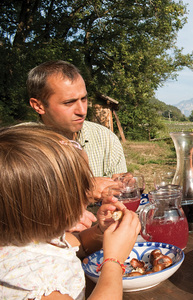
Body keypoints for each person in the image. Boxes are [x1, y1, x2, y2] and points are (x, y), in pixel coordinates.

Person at [0, 125, 141, 299]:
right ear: (52, 206)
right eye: (82, 188)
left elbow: (78, 242)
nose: (87, 194)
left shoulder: (26, 240)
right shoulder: (32, 280)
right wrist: (114, 261)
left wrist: (101, 231)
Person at [27, 60, 128, 229]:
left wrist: (124, 185)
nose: (82, 110)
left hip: (101, 238)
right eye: (69, 102)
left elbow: (121, 201)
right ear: (38, 106)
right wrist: (82, 191)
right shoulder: (19, 147)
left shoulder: (105, 138)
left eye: (84, 99)